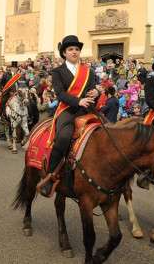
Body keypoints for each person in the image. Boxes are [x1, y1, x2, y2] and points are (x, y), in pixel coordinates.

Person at [37, 35, 98, 197]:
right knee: (64, 137)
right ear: (64, 53)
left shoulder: (88, 72)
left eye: (77, 49)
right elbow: (61, 94)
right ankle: (50, 176)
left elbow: (91, 93)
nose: (74, 52)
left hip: (87, 111)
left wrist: (95, 93)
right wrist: (78, 101)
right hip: (67, 111)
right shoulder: (58, 71)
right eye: (70, 49)